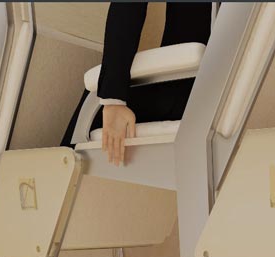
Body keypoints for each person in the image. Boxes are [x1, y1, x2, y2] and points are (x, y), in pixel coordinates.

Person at [59, 2, 213, 165]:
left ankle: (55, 177)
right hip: (226, 96)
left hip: (184, 90)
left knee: (95, 96)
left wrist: (113, 97)